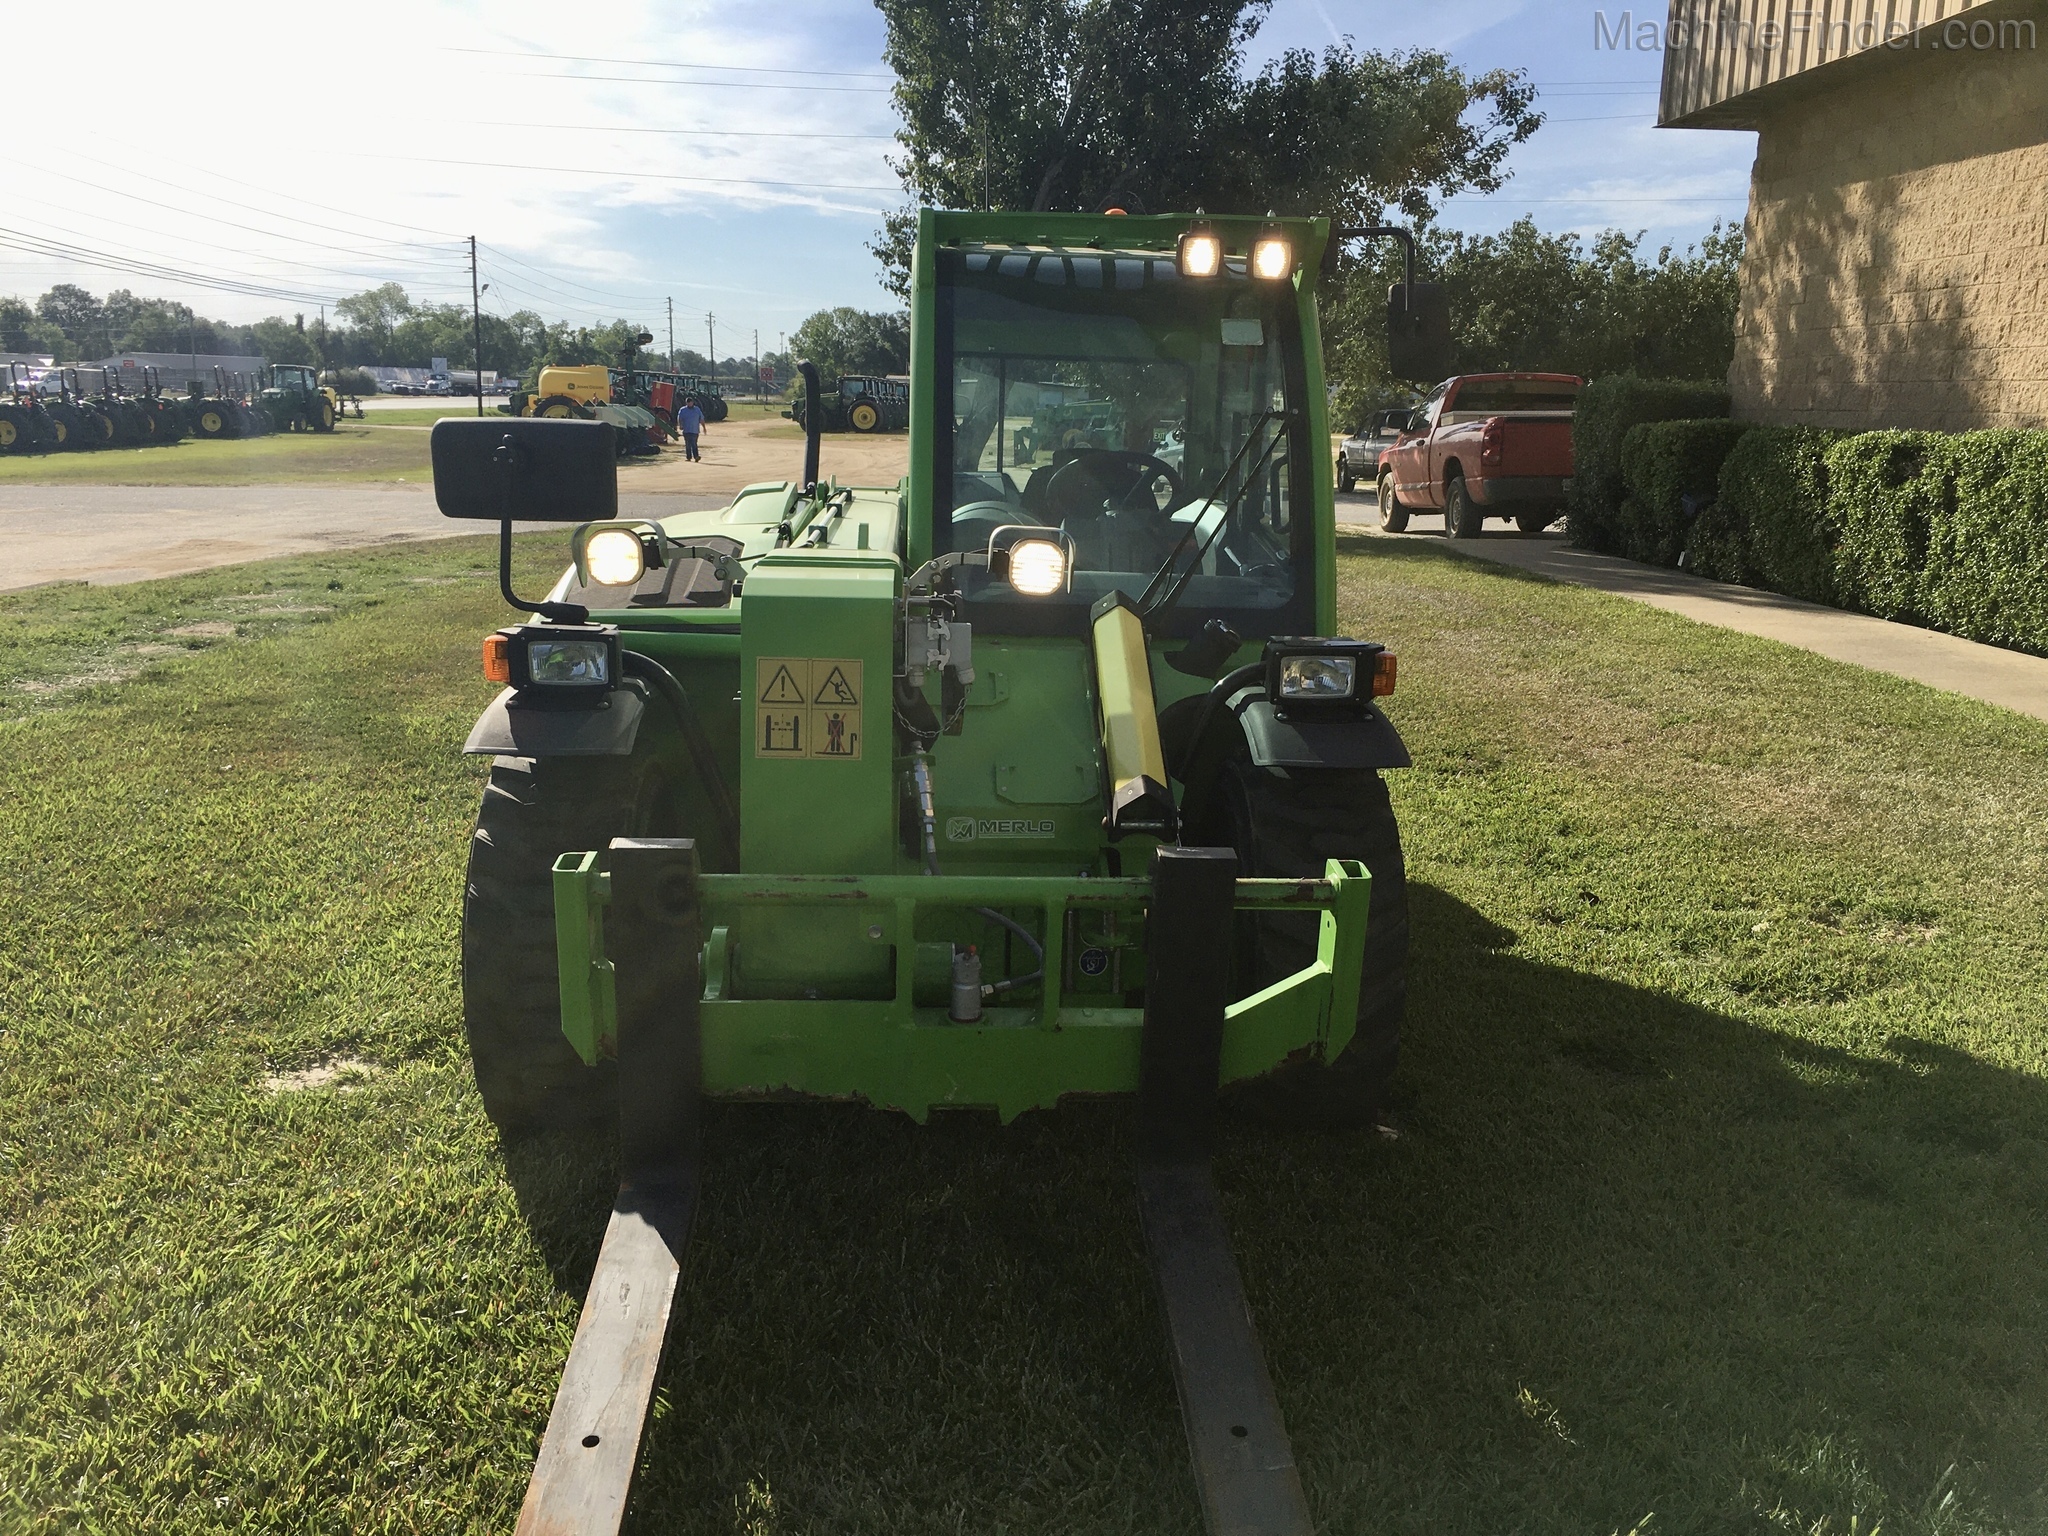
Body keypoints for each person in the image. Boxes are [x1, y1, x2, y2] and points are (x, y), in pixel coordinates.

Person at [675, 394, 706, 462]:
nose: (690, 404)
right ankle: (688, 457)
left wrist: (704, 427)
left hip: (695, 430)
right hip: (686, 430)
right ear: (686, 403)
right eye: (688, 403)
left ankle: (696, 456)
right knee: (688, 444)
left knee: (694, 444)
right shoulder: (683, 410)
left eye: (691, 402)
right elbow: (679, 418)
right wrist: (680, 425)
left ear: (693, 402)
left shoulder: (697, 410)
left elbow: (701, 419)